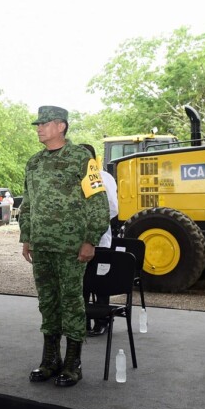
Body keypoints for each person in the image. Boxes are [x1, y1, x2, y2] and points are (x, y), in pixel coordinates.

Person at [20, 105, 110, 387]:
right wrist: (26, 237)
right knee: (47, 302)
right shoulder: (33, 162)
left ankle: (73, 364)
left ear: (61, 126)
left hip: (72, 246)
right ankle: (50, 360)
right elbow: (28, 204)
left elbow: (98, 203)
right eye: (38, 124)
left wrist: (90, 239)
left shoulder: (82, 159)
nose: (39, 128)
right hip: (42, 245)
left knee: (71, 302)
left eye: (44, 124)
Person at [82, 144, 120, 337]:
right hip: (75, 242)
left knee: (99, 282)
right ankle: (82, 321)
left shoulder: (103, 177)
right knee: (80, 284)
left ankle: (102, 321)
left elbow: (112, 207)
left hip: (99, 240)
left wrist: (93, 222)